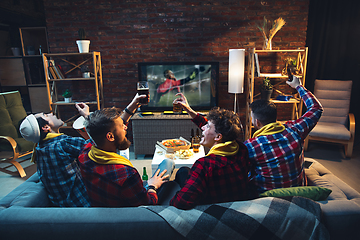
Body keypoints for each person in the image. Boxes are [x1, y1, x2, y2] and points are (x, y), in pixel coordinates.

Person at [78, 95, 175, 207]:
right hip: (133, 210)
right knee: (169, 166)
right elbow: (148, 203)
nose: (125, 127)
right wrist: (152, 186)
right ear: (110, 137)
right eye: (122, 126)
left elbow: (102, 130)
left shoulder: (85, 153)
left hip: (107, 203)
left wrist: (132, 105)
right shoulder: (126, 174)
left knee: (167, 164)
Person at [169, 93, 256, 210]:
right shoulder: (241, 148)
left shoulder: (204, 165)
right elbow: (208, 126)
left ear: (218, 137)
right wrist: (189, 110)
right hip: (236, 201)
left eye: (208, 126)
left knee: (177, 179)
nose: (203, 128)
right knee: (183, 171)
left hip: (212, 208)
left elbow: (180, 203)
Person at [244, 76, 323, 193]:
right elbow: (316, 108)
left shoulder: (251, 145)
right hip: (298, 191)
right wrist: (298, 86)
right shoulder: (296, 130)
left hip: (266, 196)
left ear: (256, 122)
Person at [19, 103, 92, 207]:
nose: (51, 113)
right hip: (83, 205)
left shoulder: (39, 149)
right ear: (45, 127)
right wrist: (87, 116)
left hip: (62, 208)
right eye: (46, 115)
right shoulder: (63, 144)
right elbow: (99, 144)